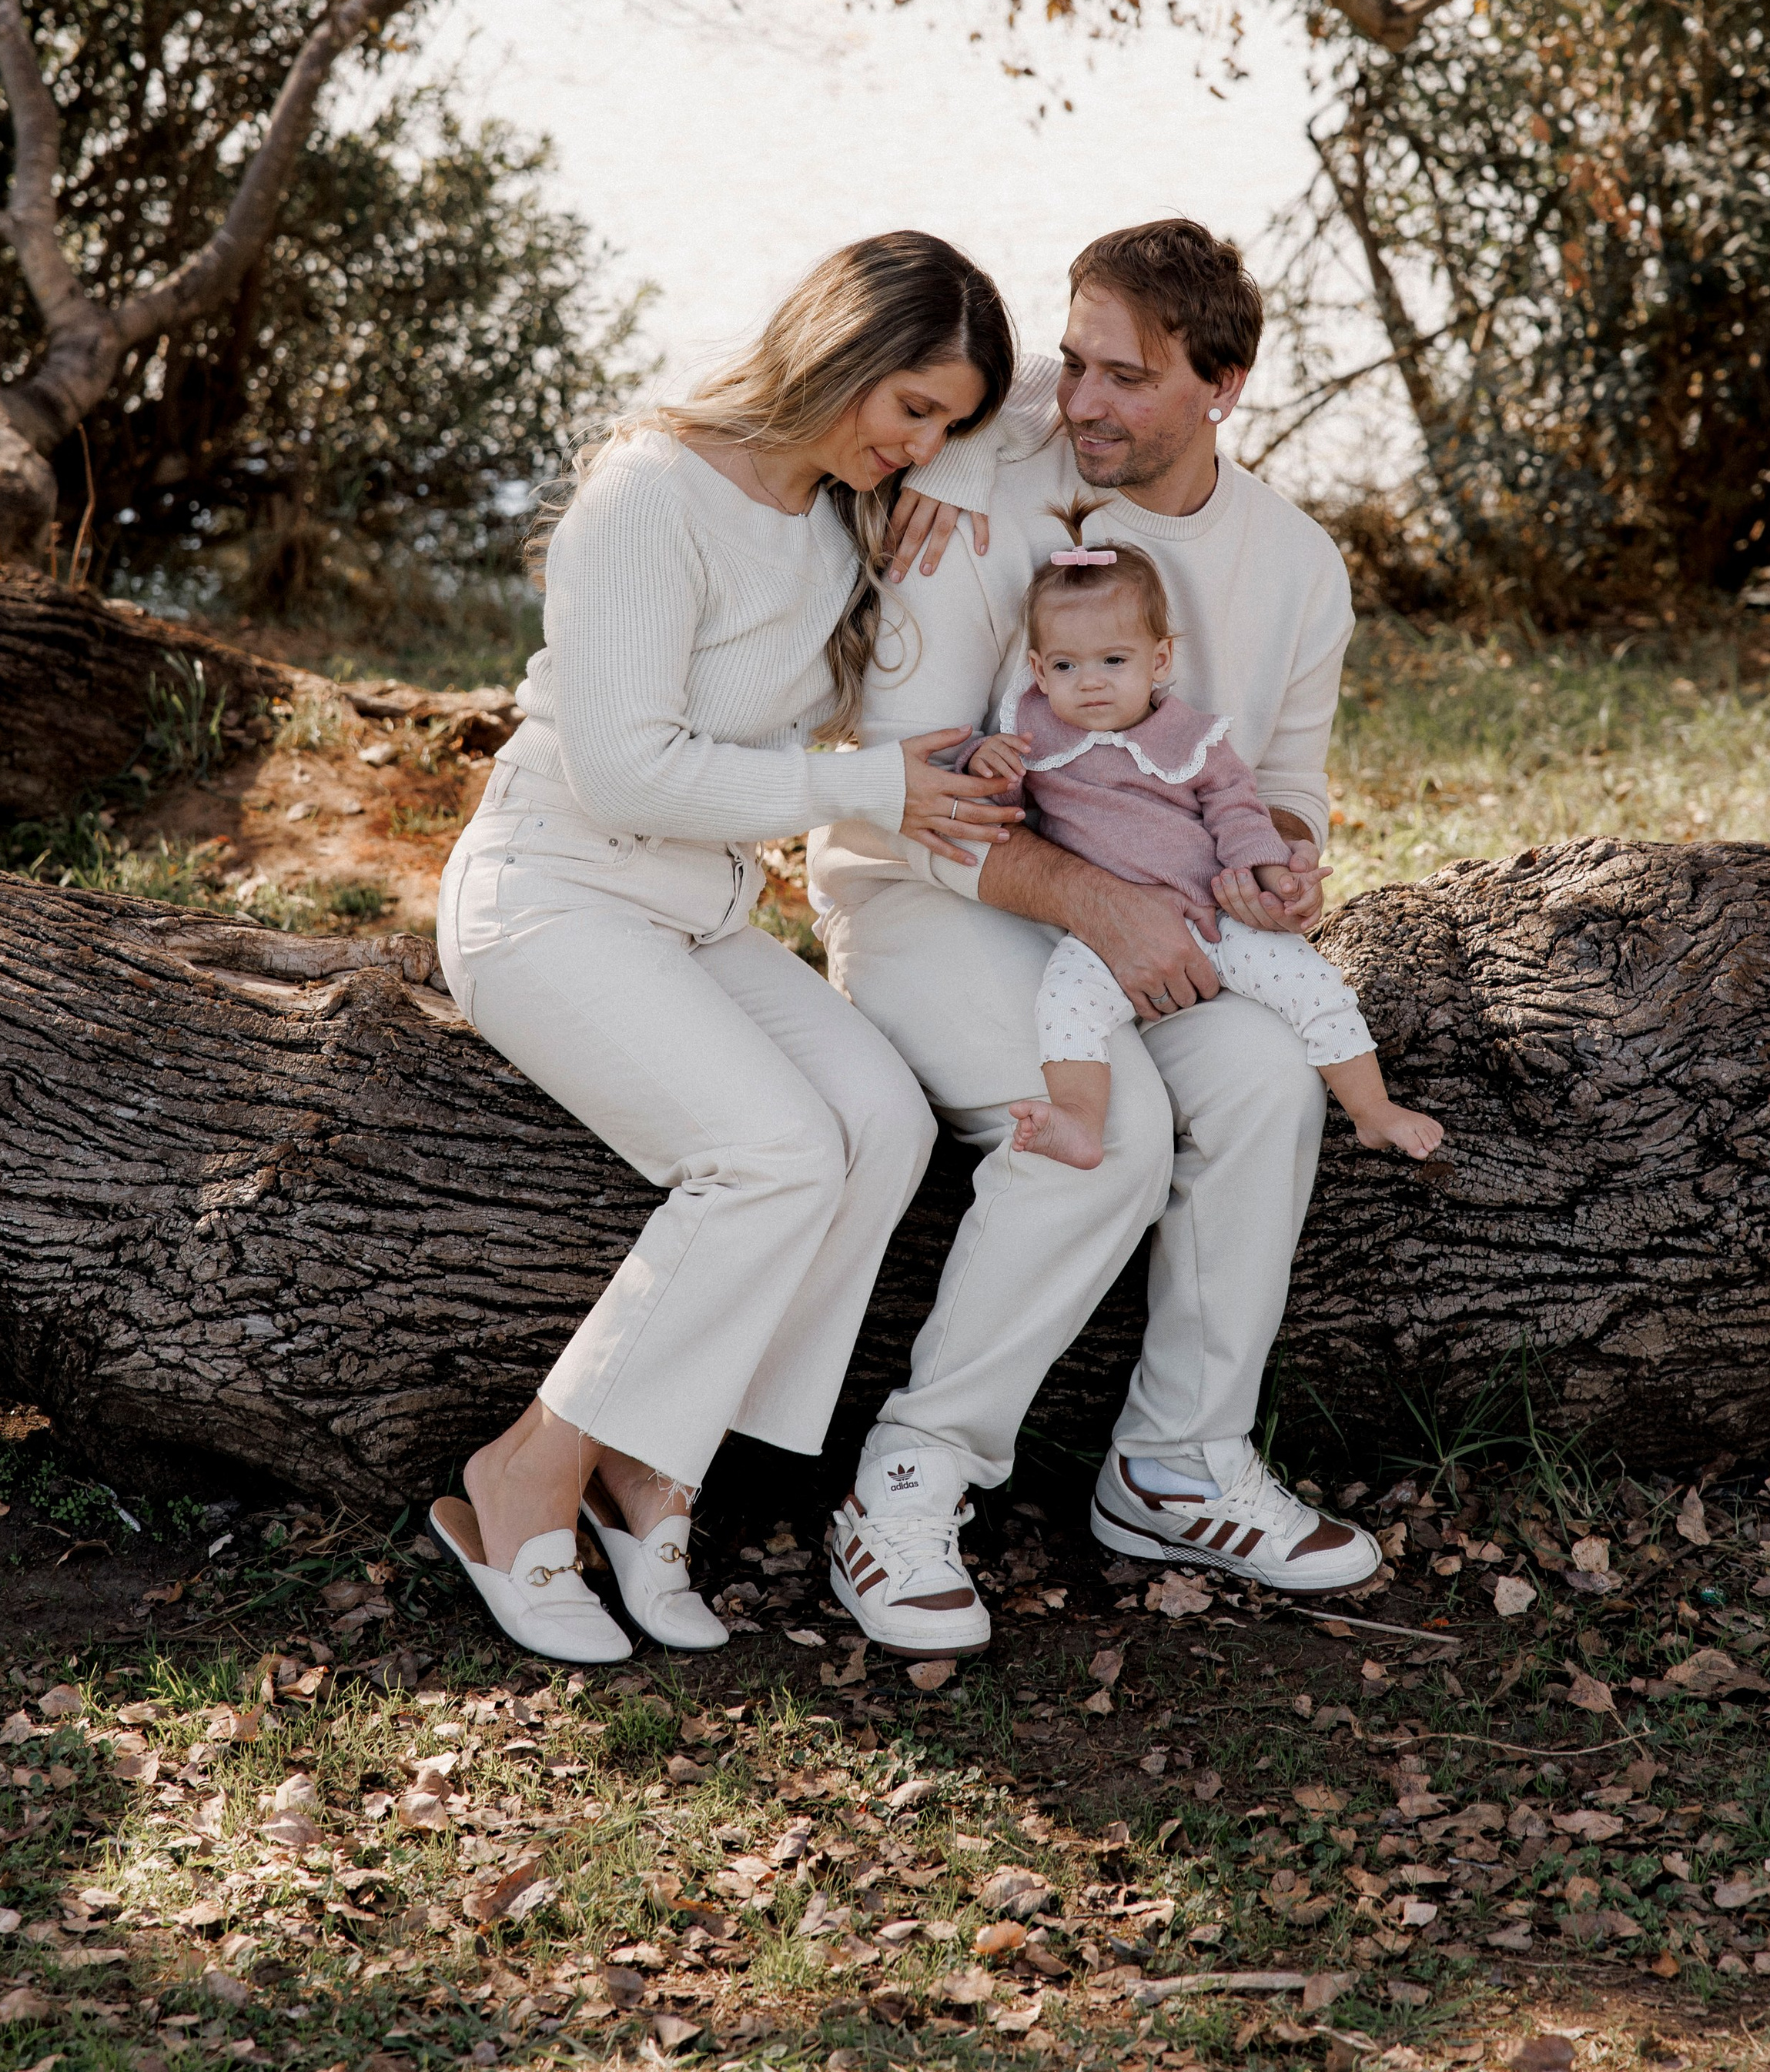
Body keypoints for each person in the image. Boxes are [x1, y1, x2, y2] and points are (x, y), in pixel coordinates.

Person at [433, 232, 1022, 1663]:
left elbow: (1071, 389)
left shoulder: (838, 513)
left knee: (881, 1122)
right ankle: (528, 1473)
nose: (922, 443)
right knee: (772, 1153)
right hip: (555, 891)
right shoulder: (649, 491)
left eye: (947, 422)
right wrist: (863, 787)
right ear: (840, 351)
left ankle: (661, 1463)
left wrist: (942, 471)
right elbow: (629, 774)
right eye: (913, 409)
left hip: (697, 911)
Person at [810, 217, 1388, 1659]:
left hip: (1153, 924)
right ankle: (907, 1479)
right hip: (930, 900)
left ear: (1224, 385)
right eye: (1074, 364)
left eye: (1127, 378)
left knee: (1264, 1079)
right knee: (1106, 1130)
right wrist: (1098, 905)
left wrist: (1284, 878)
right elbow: (909, 792)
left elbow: (1292, 794)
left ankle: (1176, 1466)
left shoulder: (1301, 568)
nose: (1083, 404)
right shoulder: (981, 488)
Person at [948, 525, 1443, 1172]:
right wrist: (980, 761)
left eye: (1114, 662)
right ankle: (1078, 1120)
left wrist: (1273, 873)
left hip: (1218, 913)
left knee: (1313, 984)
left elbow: (1239, 811)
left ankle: (1372, 1110)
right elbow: (997, 803)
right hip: (1107, 929)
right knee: (1064, 1004)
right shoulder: (1035, 731)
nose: (1090, 683)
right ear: (1039, 670)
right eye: (1067, 666)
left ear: (1159, 662)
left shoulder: (1194, 739)